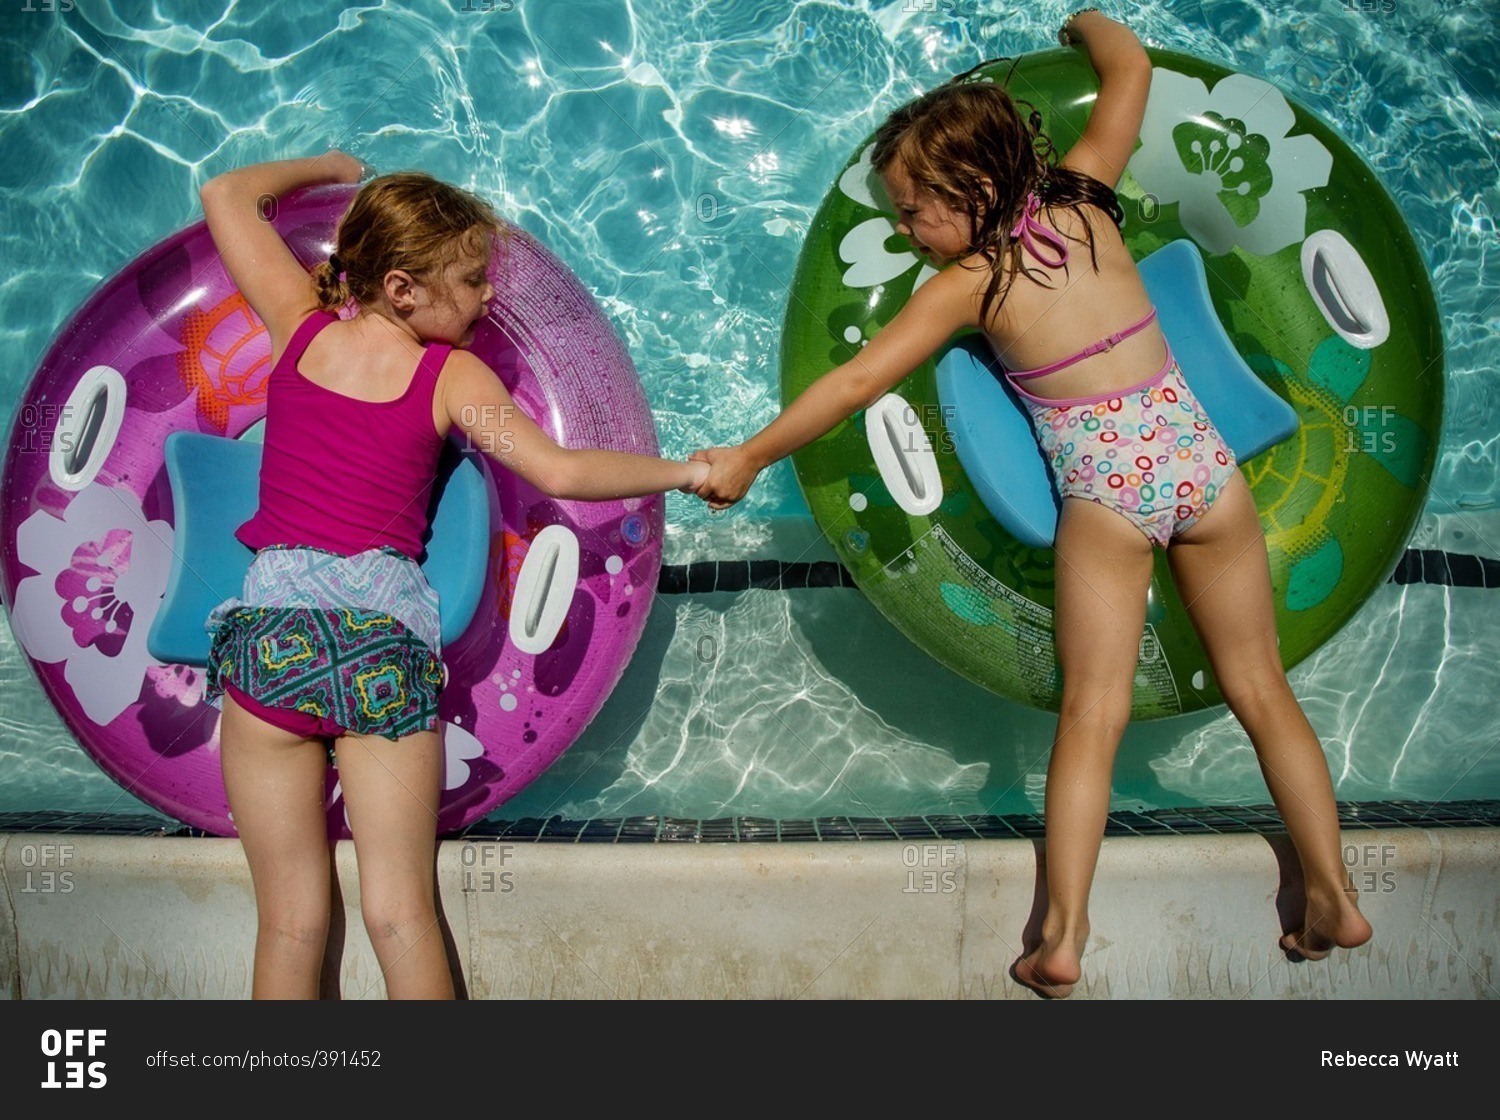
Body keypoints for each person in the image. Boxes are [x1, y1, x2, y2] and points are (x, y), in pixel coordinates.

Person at [690, 10, 1371, 997]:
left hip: (1110, 493)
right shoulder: (1091, 205)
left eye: (912, 213)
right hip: (1202, 467)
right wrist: (1087, 21)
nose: (904, 231)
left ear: (970, 198)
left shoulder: (968, 286)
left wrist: (751, 455)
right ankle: (1336, 893)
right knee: (1262, 687)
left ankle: (1061, 933)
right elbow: (1128, 66)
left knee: (1092, 710)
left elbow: (849, 386)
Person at [199, 153, 707, 999]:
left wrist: (333, 167)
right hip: (377, 657)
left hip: (271, 651)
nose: (484, 299)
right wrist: (687, 473)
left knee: (289, 923)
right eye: (471, 281)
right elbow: (563, 473)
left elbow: (224, 194)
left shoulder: (300, 329)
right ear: (402, 288)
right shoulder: (449, 376)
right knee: (401, 914)